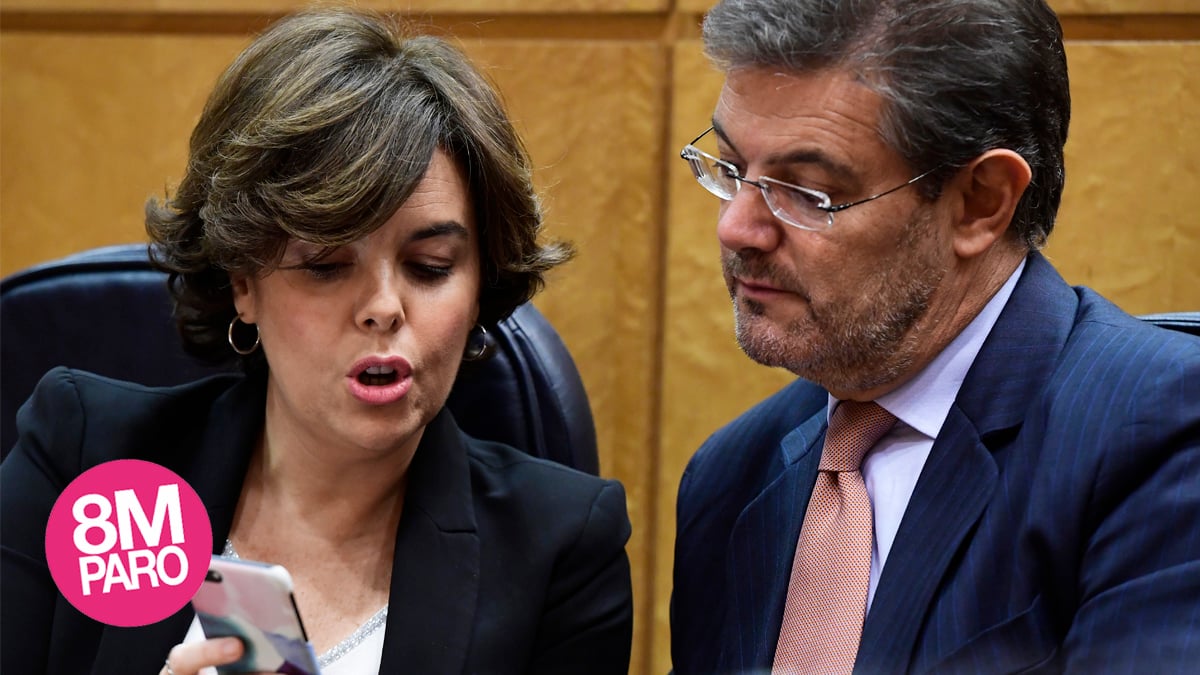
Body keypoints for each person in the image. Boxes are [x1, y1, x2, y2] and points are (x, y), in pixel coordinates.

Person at [0, 8, 633, 675]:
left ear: (479, 284)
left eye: (430, 267)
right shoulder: (93, 466)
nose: (384, 308)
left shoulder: (558, 550)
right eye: (327, 265)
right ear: (243, 280)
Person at [670, 0, 1200, 673]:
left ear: (981, 201)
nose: (737, 228)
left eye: (808, 191)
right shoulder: (730, 476)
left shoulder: (1163, 433)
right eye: (733, 168)